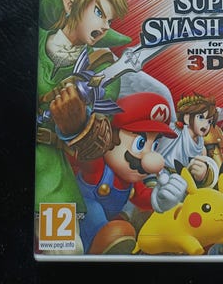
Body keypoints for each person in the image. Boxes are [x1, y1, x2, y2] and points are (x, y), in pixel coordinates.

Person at [35, 0, 131, 249]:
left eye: (109, 21)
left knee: (64, 248)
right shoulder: (33, 38)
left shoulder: (102, 67)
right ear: (69, 4)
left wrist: (77, 125)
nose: (105, 26)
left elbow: (100, 140)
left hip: (50, 174)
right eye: (99, 12)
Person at [76, 92, 187, 255]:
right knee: (95, 211)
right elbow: (84, 157)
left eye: (154, 145)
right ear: (109, 137)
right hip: (82, 226)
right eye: (140, 143)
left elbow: (141, 196)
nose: (150, 157)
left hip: (110, 224)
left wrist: (161, 198)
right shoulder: (97, 168)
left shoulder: (130, 182)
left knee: (128, 226)